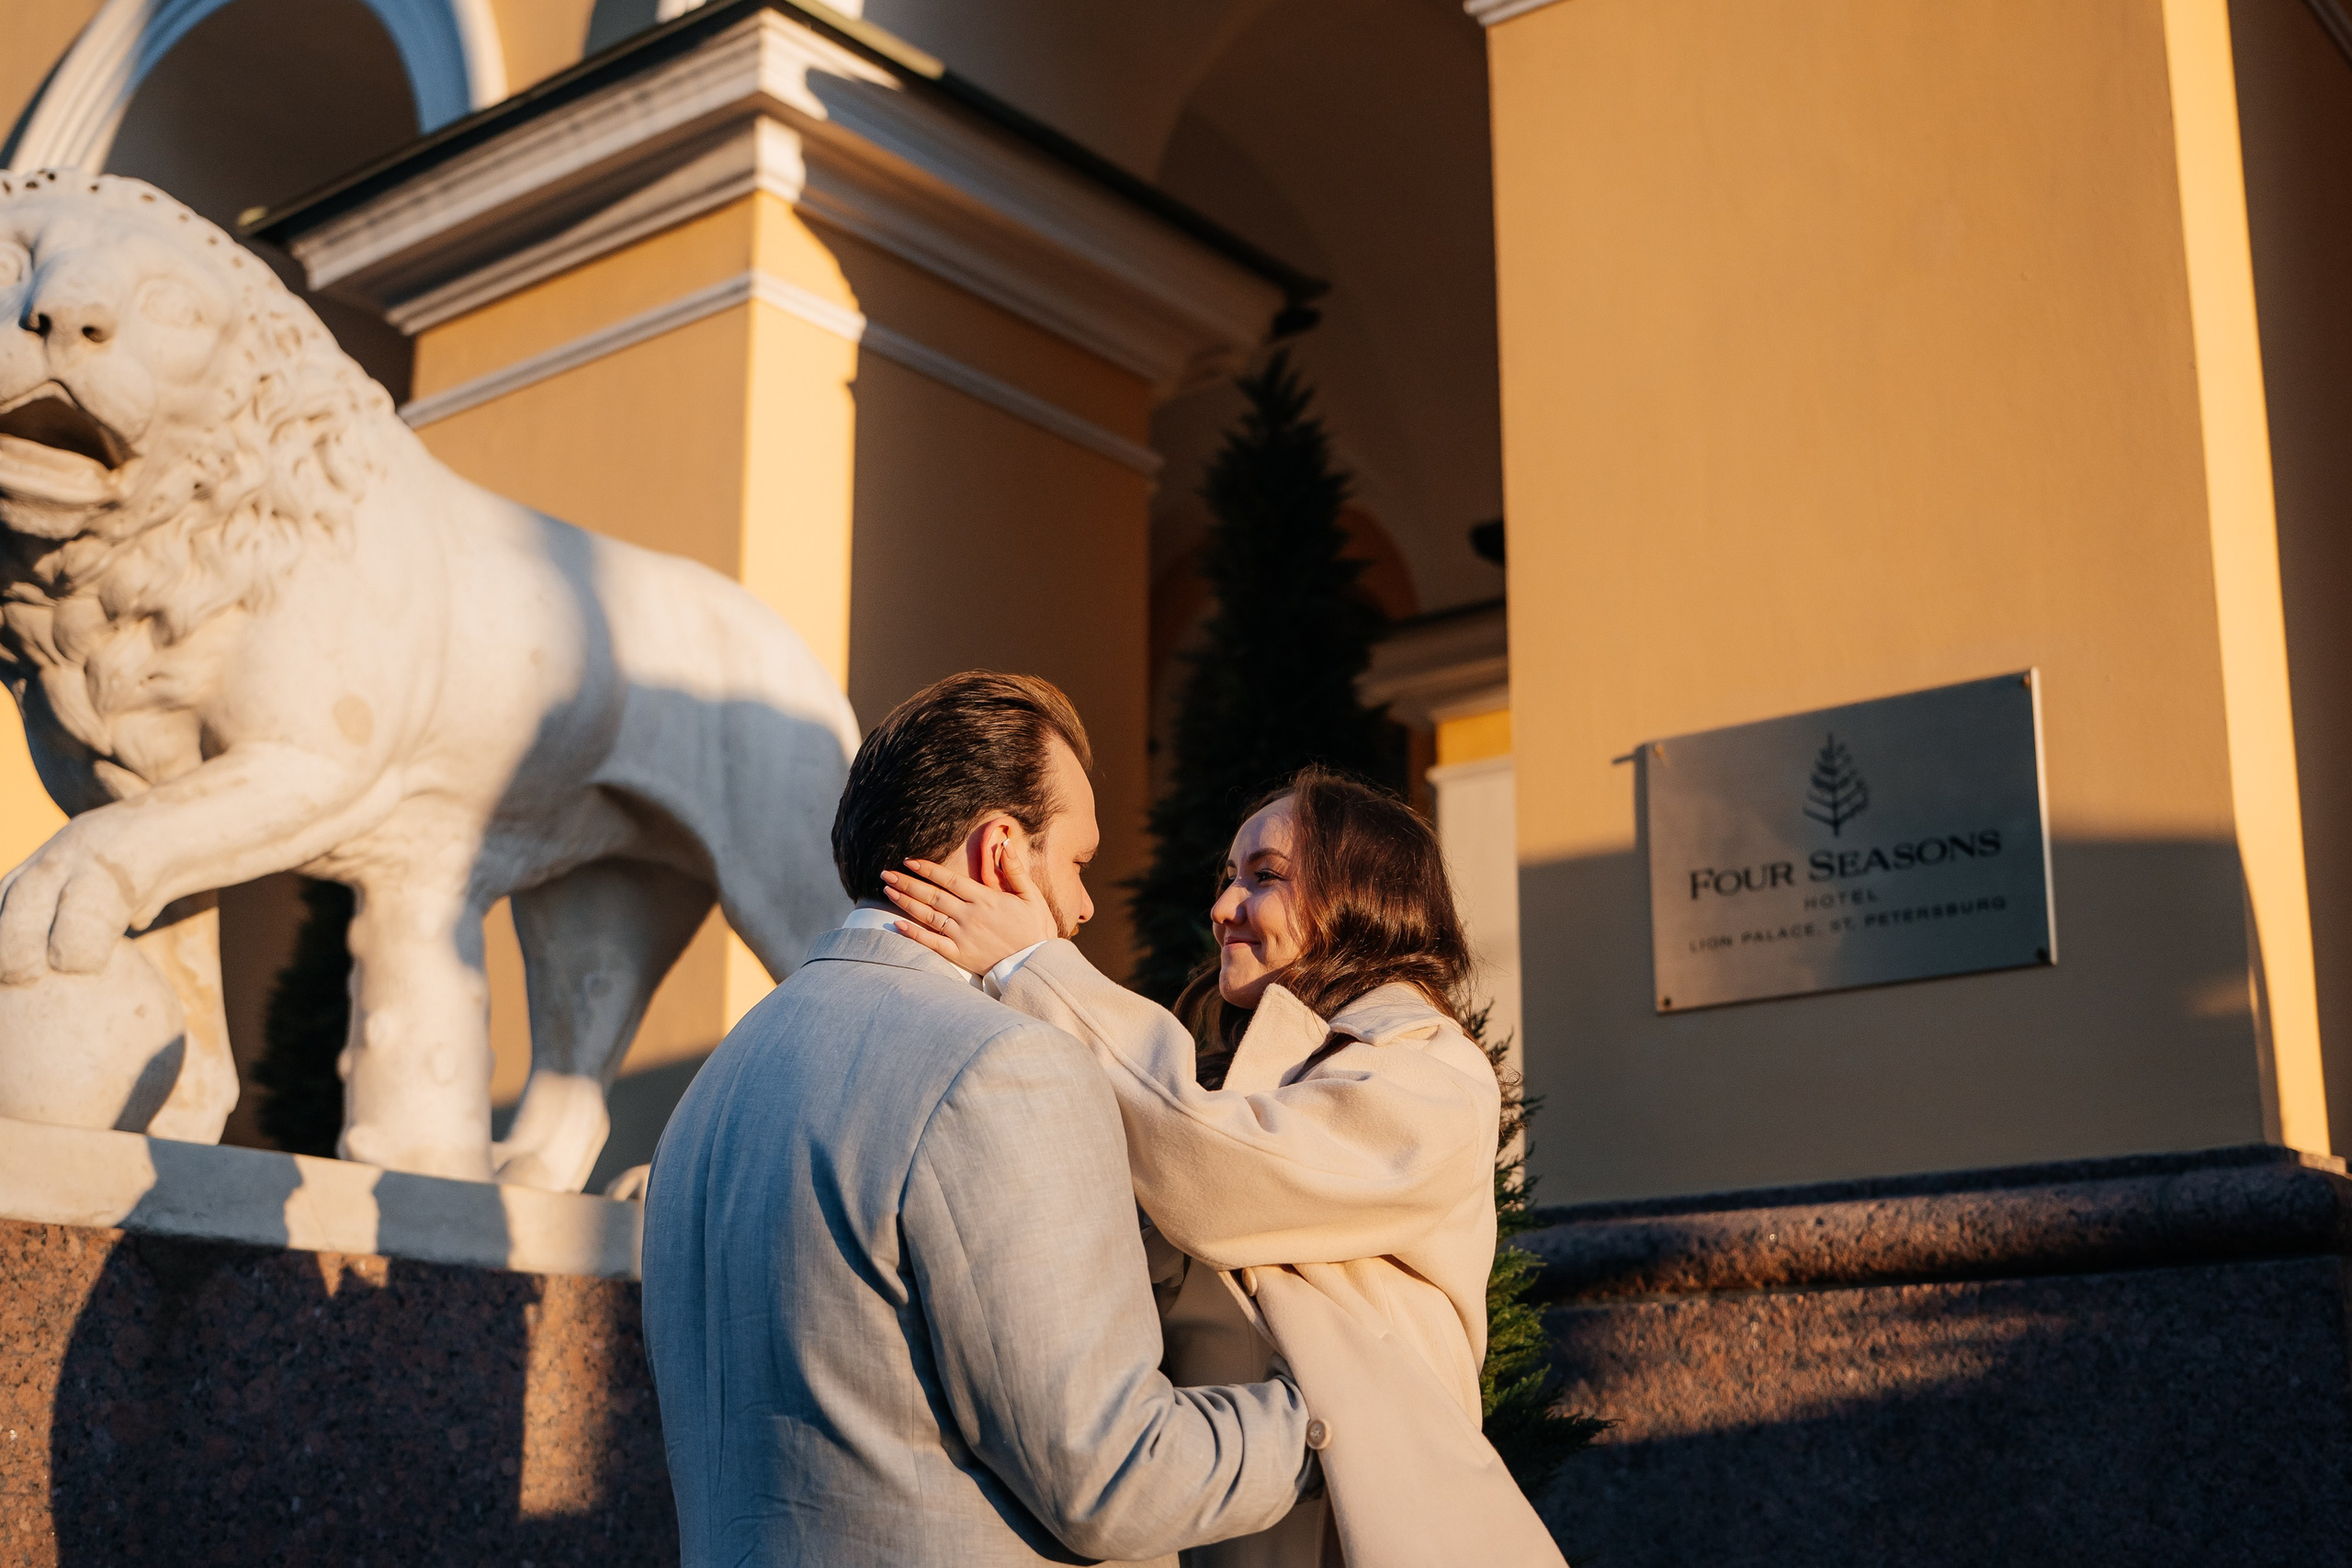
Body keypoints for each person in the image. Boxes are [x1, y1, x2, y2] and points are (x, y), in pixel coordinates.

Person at [641, 671, 1320, 1568]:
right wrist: (1314, 1423)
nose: (1081, 908)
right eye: (1076, 863)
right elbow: (1112, 1480)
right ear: (1001, 853)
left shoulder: (714, 1085)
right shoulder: (1005, 1067)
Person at [884, 766, 1570, 1568]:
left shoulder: (1432, 1073)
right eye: (1228, 877)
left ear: (1362, 895)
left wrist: (1031, 965)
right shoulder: (1220, 1079)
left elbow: (1217, 1169)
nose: (1220, 907)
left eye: (1265, 877)